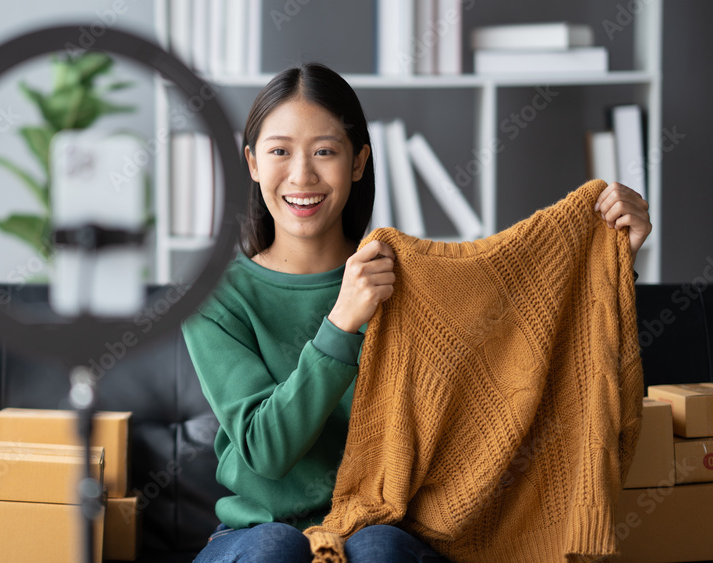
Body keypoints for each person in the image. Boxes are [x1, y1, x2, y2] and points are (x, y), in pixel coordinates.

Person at [181, 63, 651, 563]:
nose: (302, 175)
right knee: (276, 547)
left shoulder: (407, 279)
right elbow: (265, 452)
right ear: (252, 163)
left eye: (325, 151)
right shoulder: (213, 299)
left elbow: (526, 361)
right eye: (280, 151)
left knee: (381, 547)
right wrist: (342, 323)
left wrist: (616, 258)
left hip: (381, 530)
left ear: (358, 162)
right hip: (255, 535)